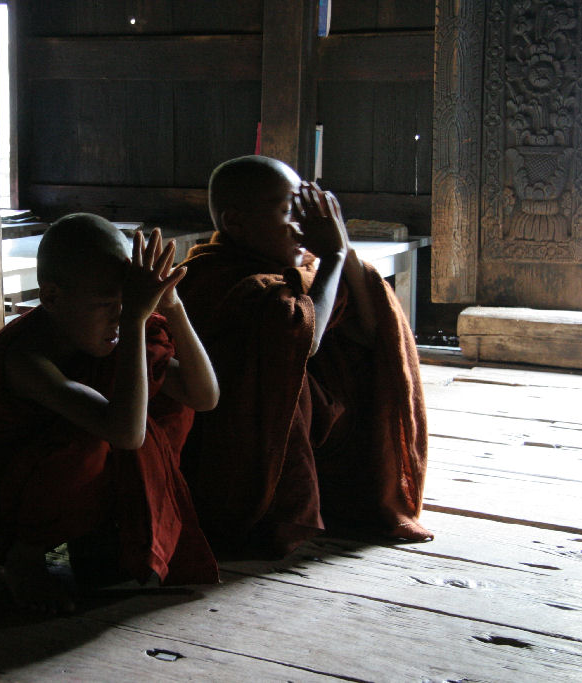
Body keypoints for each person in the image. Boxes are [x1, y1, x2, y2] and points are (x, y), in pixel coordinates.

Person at [0, 214, 220, 614]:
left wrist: (172, 306)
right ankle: (25, 559)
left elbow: (203, 396)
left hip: (65, 490)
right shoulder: (25, 357)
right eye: (105, 305)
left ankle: (99, 530)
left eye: (127, 302)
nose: (120, 315)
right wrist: (131, 322)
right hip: (3, 508)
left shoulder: (117, 334)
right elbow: (125, 433)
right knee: (92, 438)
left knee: (169, 403)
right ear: (53, 297)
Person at [177, 155, 432, 559]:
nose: (304, 228)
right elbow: (302, 337)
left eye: (307, 214)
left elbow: (370, 334)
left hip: (306, 432)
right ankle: (279, 510)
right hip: (236, 453)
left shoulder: (299, 270)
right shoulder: (213, 276)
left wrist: (339, 244)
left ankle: (346, 493)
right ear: (235, 222)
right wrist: (332, 258)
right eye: (287, 214)